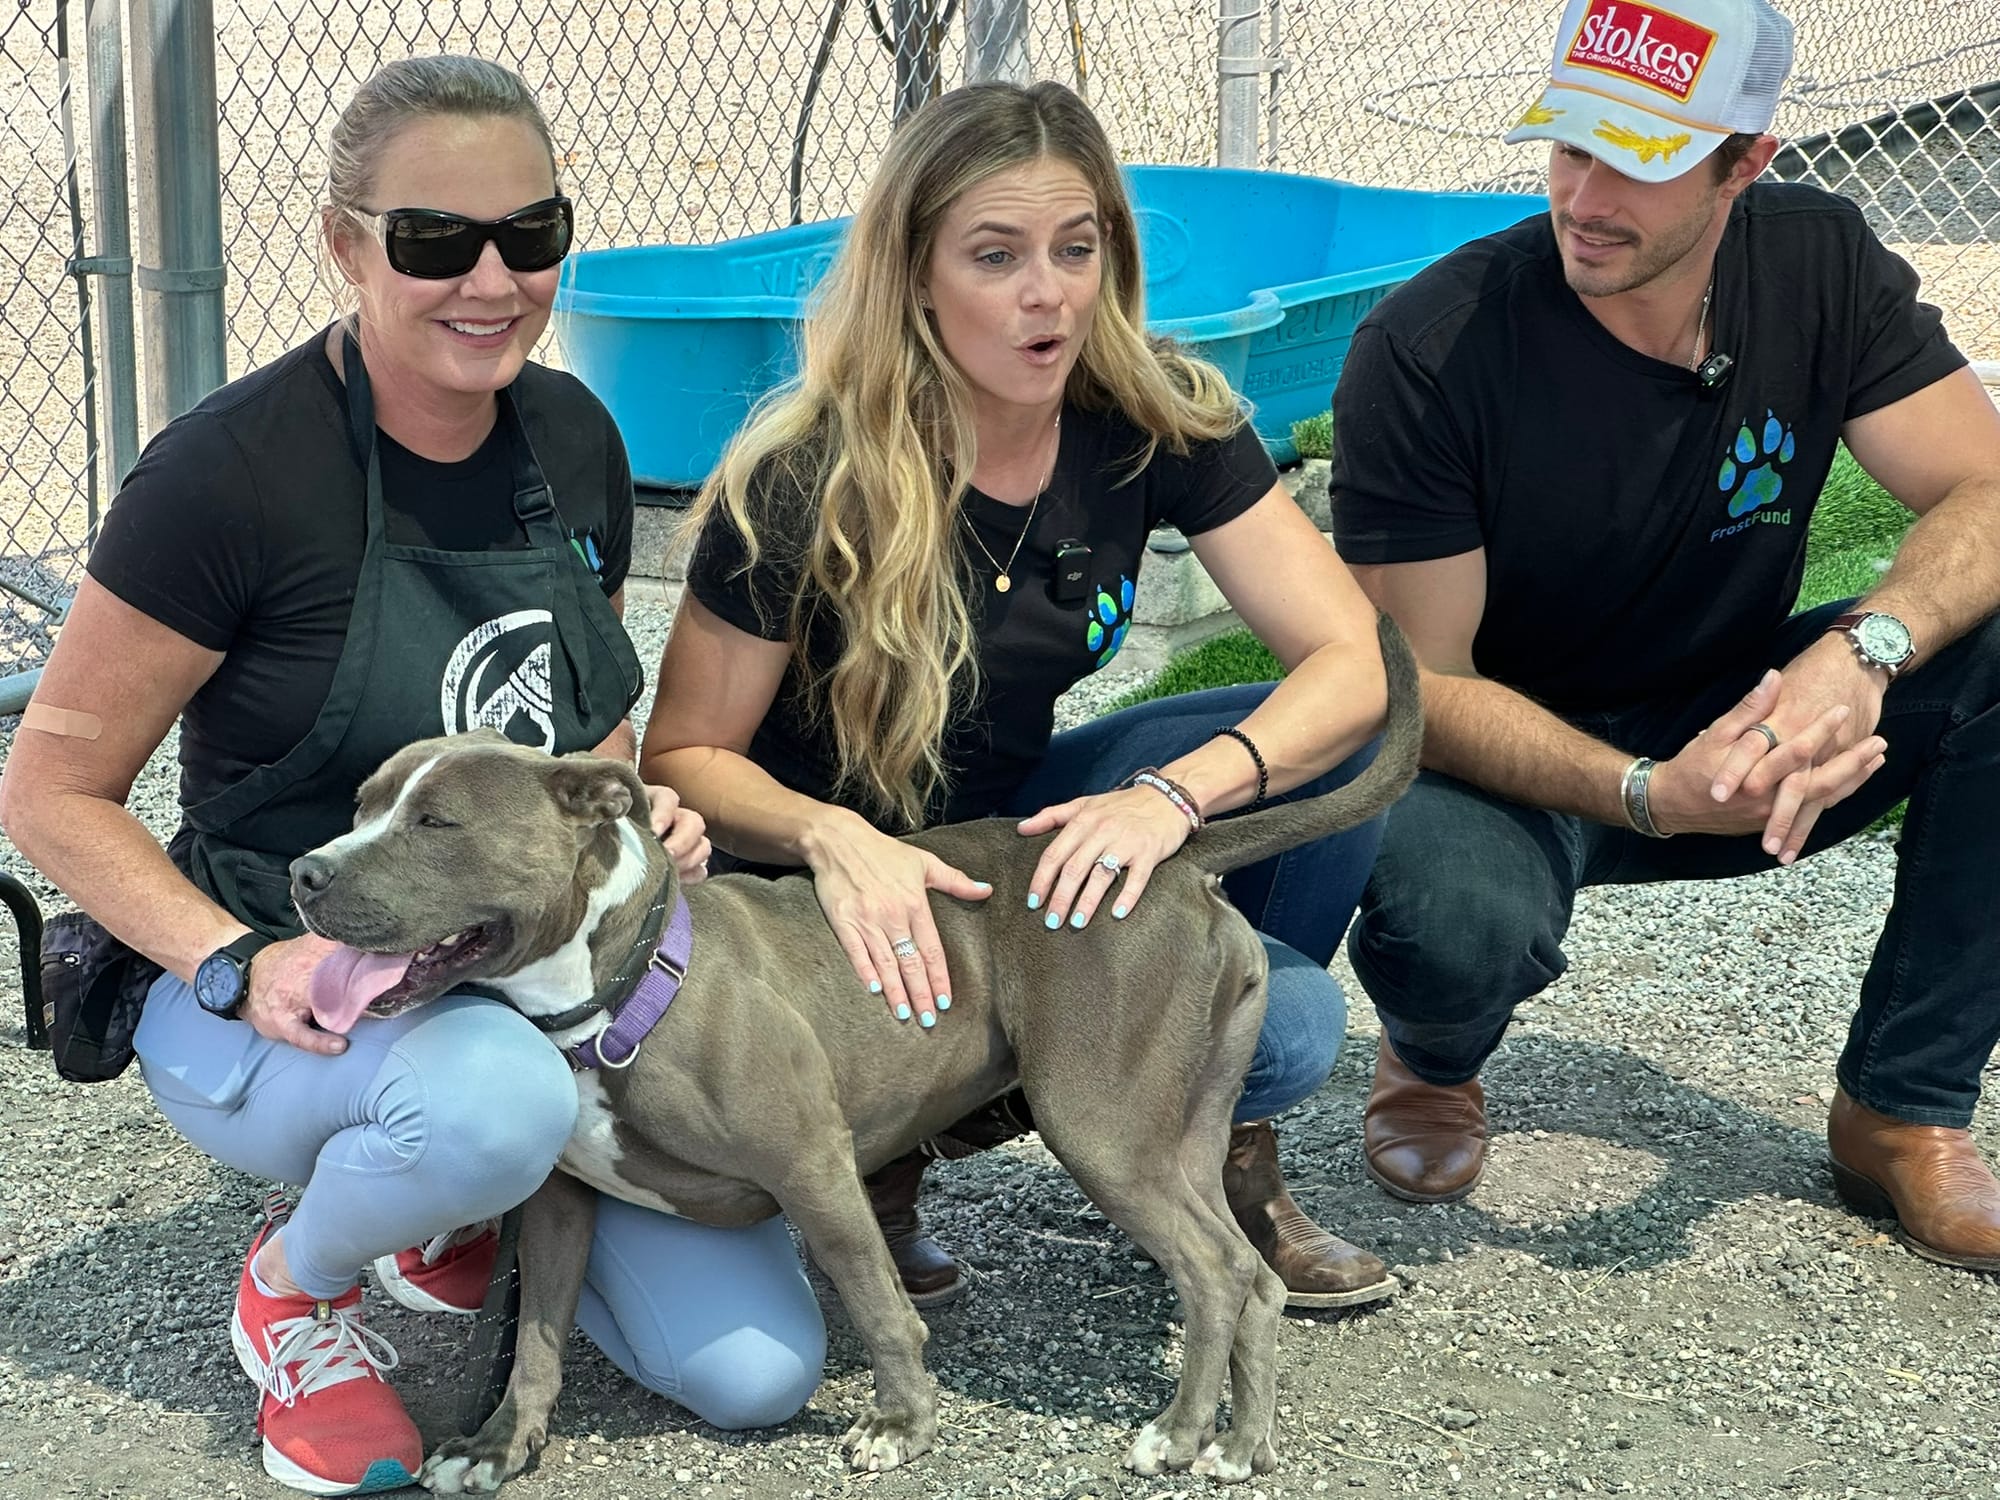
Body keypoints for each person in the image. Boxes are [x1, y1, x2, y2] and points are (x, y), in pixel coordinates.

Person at [0, 57, 823, 1498]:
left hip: (501, 975)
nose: (491, 281)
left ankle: (464, 1203)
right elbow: (48, 788)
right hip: (277, 979)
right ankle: (300, 1287)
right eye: (436, 240)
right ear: (345, 244)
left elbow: (585, 738)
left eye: (532, 235)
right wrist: (229, 962)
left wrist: (634, 827)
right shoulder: (230, 476)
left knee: (754, 1377)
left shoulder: (570, 434)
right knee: (493, 1107)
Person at [640, 79, 1398, 1315]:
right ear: (914, 275)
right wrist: (835, 839)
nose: (1045, 294)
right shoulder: (798, 476)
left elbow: (1351, 662)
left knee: (1309, 768)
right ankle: (887, 1136)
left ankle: (1207, 1148)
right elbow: (681, 758)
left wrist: (1167, 797)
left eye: (1074, 247)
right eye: (995, 256)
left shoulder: (1152, 413)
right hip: (818, 891)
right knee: (1291, 1024)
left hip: (1007, 834)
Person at [1330, 0, 2000, 1270]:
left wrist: (1862, 650)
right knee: (1452, 918)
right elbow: (1413, 683)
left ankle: (1899, 1113)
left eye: (1633, 162)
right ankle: (1430, 1057)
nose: (1580, 196)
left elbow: (1984, 489)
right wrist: (1642, 793)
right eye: (1567, 145)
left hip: (1733, 718)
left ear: (1743, 161)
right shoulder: (1431, 347)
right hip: (1497, 759)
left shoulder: (1817, 258)